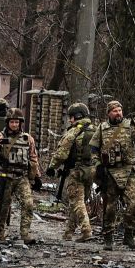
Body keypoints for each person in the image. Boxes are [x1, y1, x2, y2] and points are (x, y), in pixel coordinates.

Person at [89, 100, 135, 250]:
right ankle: (108, 238)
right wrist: (98, 165)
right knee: (110, 207)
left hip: (128, 171)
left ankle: (129, 235)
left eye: (120, 110)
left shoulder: (130, 125)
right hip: (110, 173)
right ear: (109, 113)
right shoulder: (102, 128)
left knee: (134, 203)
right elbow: (93, 150)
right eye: (115, 111)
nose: (118, 113)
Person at [0, 107, 41, 243]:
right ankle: (1, 233)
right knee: (3, 206)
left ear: (20, 123)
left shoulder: (28, 139)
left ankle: (25, 234)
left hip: (22, 177)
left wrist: (36, 176)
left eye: (17, 122)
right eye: (12, 122)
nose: (14, 125)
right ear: (7, 122)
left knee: (28, 204)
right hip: (4, 177)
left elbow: (33, 158)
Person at [47, 102, 97, 242]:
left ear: (77, 116)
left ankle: (86, 230)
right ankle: (68, 232)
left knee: (77, 202)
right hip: (91, 171)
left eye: (71, 117)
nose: (70, 120)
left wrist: (52, 166)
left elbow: (61, 153)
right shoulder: (95, 129)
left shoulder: (74, 131)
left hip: (76, 171)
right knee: (78, 202)